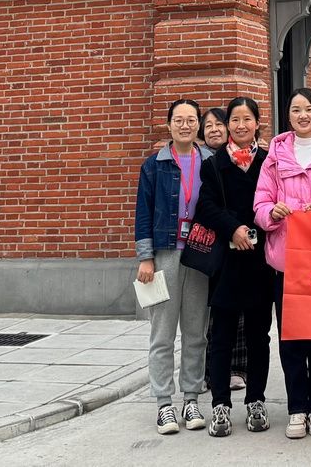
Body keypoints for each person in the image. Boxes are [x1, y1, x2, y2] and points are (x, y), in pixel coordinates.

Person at [255, 87, 311, 439]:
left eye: (308, 109)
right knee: (290, 339)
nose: (302, 115)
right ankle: (296, 408)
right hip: (286, 261)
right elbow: (261, 201)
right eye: (295, 110)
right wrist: (271, 212)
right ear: (287, 115)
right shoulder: (274, 156)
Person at [135, 98, 214, 435]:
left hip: (200, 252)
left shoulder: (210, 161)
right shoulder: (154, 165)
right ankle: (164, 403)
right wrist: (145, 257)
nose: (185, 125)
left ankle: (191, 399)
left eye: (191, 119)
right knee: (162, 333)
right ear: (169, 125)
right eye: (178, 120)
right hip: (164, 254)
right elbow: (143, 212)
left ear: (199, 124)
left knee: (196, 332)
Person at [197, 97, 274, 437]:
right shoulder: (214, 165)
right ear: (228, 125)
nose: (241, 125)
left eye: (247, 119)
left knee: (259, 336)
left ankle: (256, 400)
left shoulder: (269, 161)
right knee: (222, 337)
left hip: (260, 260)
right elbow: (206, 207)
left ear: (257, 123)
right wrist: (233, 228)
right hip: (226, 261)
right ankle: (220, 405)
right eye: (235, 120)